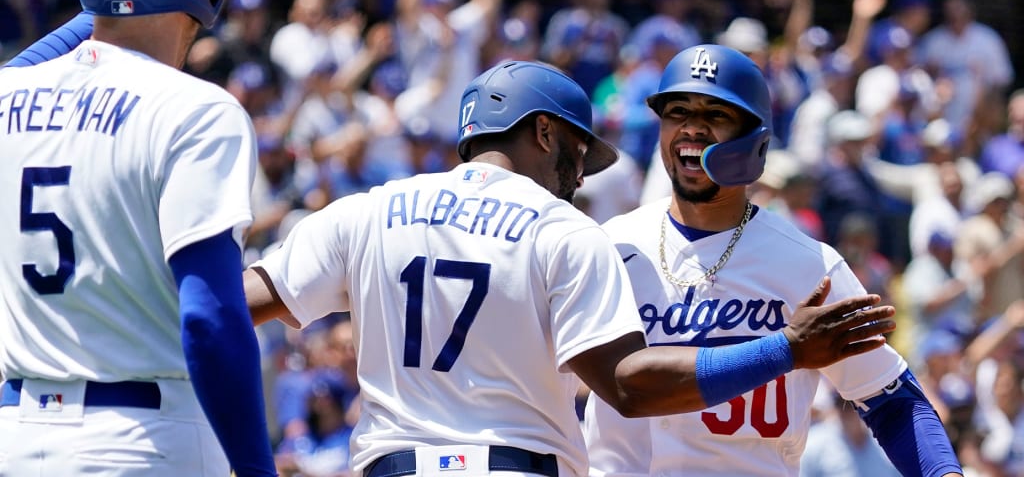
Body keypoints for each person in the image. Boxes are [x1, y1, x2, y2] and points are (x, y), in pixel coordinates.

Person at [243, 59, 895, 477]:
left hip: (392, 465)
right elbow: (630, 387)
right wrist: (784, 350)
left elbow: (235, 302)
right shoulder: (566, 231)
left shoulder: (370, 210)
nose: (580, 176)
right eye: (580, 153)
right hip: (513, 466)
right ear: (547, 134)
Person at [582, 44, 962, 477]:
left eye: (716, 115)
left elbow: (892, 400)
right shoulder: (610, 246)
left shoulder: (808, 265)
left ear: (753, 139)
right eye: (678, 112)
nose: (692, 129)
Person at [0, 0, 276, 476]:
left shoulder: (7, 97)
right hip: (143, 439)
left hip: (15, 438)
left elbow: (33, 66)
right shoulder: (197, 109)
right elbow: (208, 319)